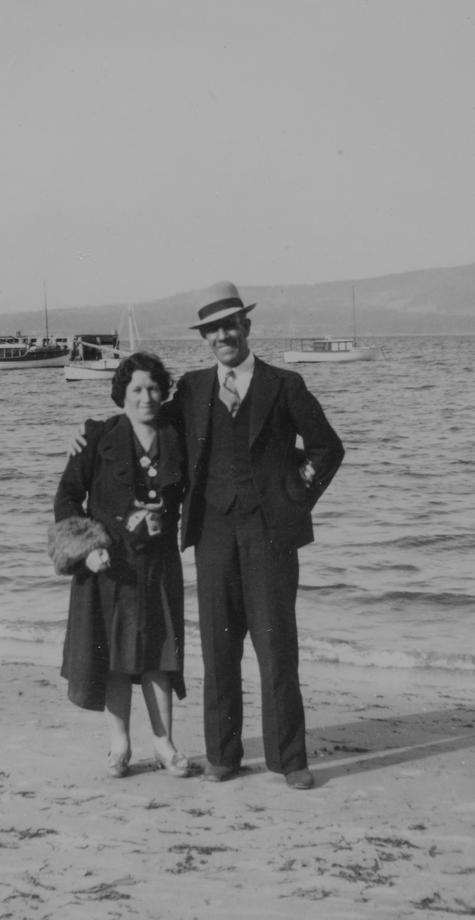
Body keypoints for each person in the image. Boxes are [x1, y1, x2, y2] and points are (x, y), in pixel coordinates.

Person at [71, 281, 344, 790]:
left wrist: (293, 500)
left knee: (276, 647)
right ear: (204, 338)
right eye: (212, 330)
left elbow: (327, 449)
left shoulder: (285, 384)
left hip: (270, 536)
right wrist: (91, 433)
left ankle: (290, 760)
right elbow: (143, 417)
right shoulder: (194, 389)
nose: (222, 336)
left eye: (229, 326)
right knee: (219, 648)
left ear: (246, 326)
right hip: (212, 534)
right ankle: (222, 755)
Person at [49, 351, 189, 780]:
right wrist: (87, 548)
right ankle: (120, 745)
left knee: (160, 656)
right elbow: (66, 498)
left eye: (154, 388)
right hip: (109, 565)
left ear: (163, 392)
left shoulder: (178, 436)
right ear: (122, 394)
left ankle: (164, 744)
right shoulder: (96, 437)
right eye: (137, 389)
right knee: (114, 657)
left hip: (159, 564)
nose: (146, 397)